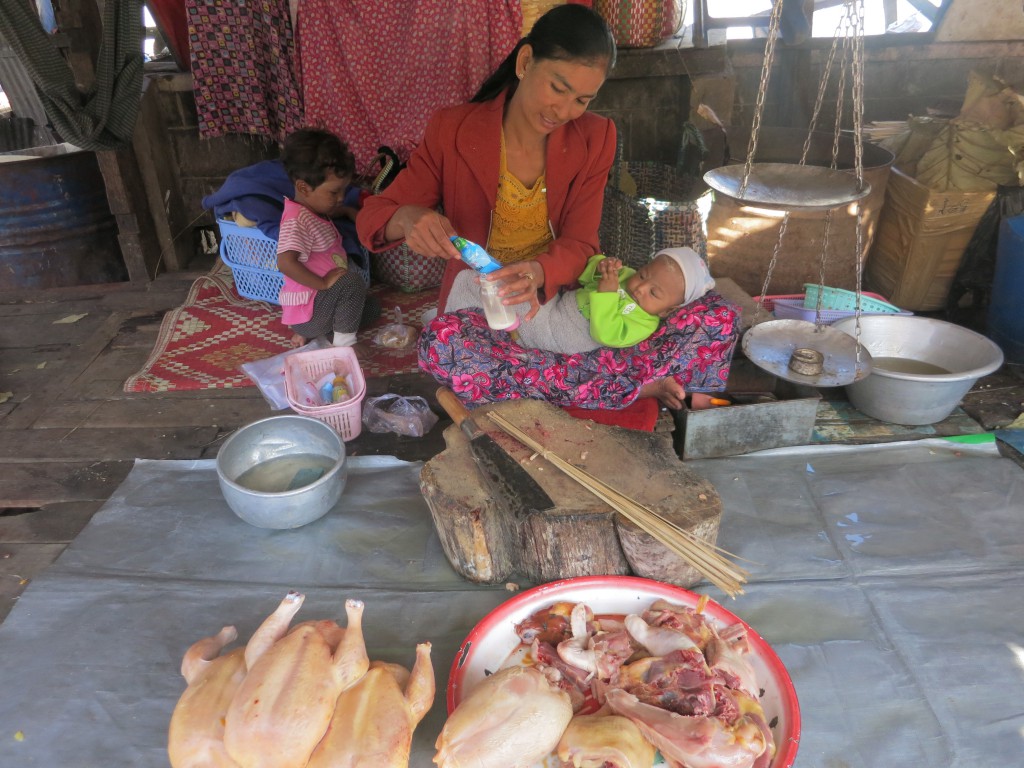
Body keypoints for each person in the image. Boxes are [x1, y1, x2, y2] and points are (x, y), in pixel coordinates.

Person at [357, 3, 617, 319]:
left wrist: (537, 272)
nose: (563, 111)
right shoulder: (453, 130)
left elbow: (581, 244)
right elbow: (371, 219)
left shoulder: (595, 138)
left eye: (581, 100)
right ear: (525, 62)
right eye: (557, 88)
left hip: (552, 301)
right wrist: (406, 219)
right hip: (474, 300)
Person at [447, 246, 716, 356]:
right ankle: (454, 326)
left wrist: (608, 293)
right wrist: (601, 267)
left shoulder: (644, 323)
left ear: (668, 310)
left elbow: (606, 333)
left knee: (482, 285)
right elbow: (586, 275)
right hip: (554, 308)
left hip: (562, 336)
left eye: (654, 293)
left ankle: (452, 338)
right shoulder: (627, 277)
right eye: (644, 274)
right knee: (474, 280)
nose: (641, 287)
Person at [277, 128, 374, 348]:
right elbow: (285, 262)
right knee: (352, 283)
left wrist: (349, 212)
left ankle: (327, 333)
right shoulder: (295, 221)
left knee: (371, 307)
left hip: (320, 307)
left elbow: (331, 213)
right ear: (304, 187)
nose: (341, 198)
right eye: (334, 192)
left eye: (343, 191)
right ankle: (343, 348)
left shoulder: (313, 210)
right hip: (310, 309)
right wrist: (322, 283)